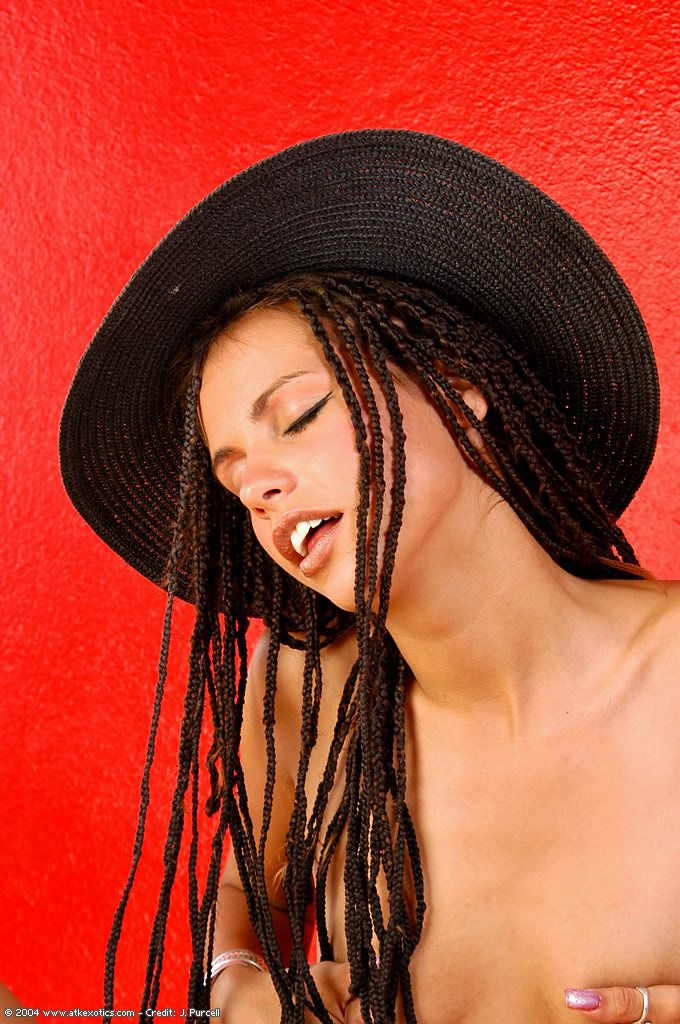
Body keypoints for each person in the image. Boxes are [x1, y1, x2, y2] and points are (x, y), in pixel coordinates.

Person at [59, 129, 679, 1024]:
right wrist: (236, 981)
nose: (261, 487)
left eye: (299, 415)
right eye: (235, 481)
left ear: (454, 383)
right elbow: (241, 890)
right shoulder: (306, 692)